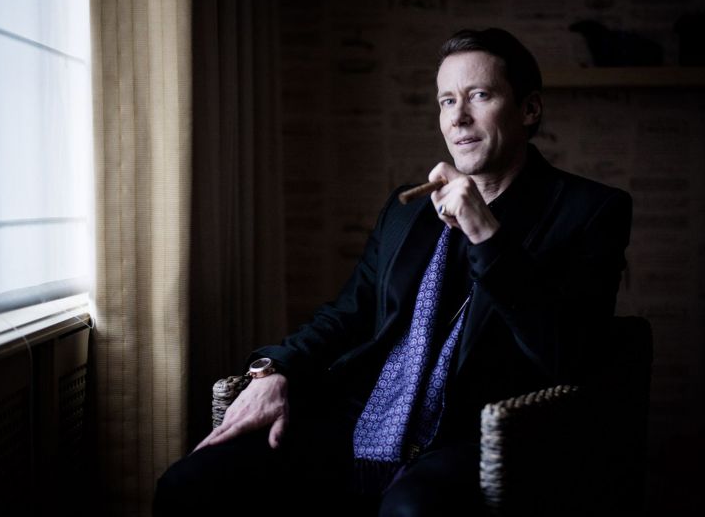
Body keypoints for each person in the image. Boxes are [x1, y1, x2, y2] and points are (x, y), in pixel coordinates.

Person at [153, 28, 632, 516]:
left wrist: (486, 233)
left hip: (474, 436)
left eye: (480, 96)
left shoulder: (592, 210)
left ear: (529, 109)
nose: (458, 118)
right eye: (447, 101)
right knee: (187, 484)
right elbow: (349, 314)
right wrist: (276, 370)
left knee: (410, 510)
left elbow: (570, 355)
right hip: (363, 419)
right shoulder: (409, 209)